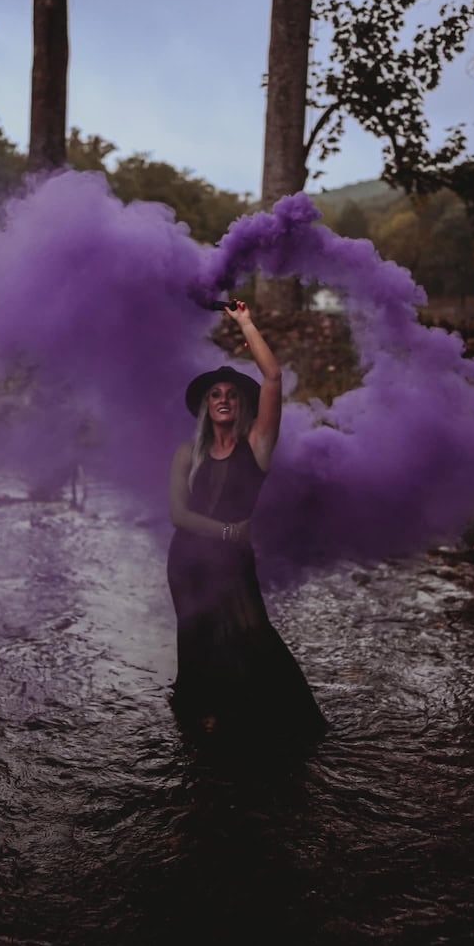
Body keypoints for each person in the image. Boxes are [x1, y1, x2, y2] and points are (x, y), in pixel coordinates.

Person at [167, 301, 327, 744]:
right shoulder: (186, 454)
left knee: (251, 631)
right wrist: (222, 531)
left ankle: (281, 725)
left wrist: (246, 323)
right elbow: (177, 514)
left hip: (233, 561)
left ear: (241, 407)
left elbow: (273, 379)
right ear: (205, 405)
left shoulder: (256, 445)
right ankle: (207, 719)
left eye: (231, 395)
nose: (223, 400)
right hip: (188, 560)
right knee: (197, 633)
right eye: (215, 394)